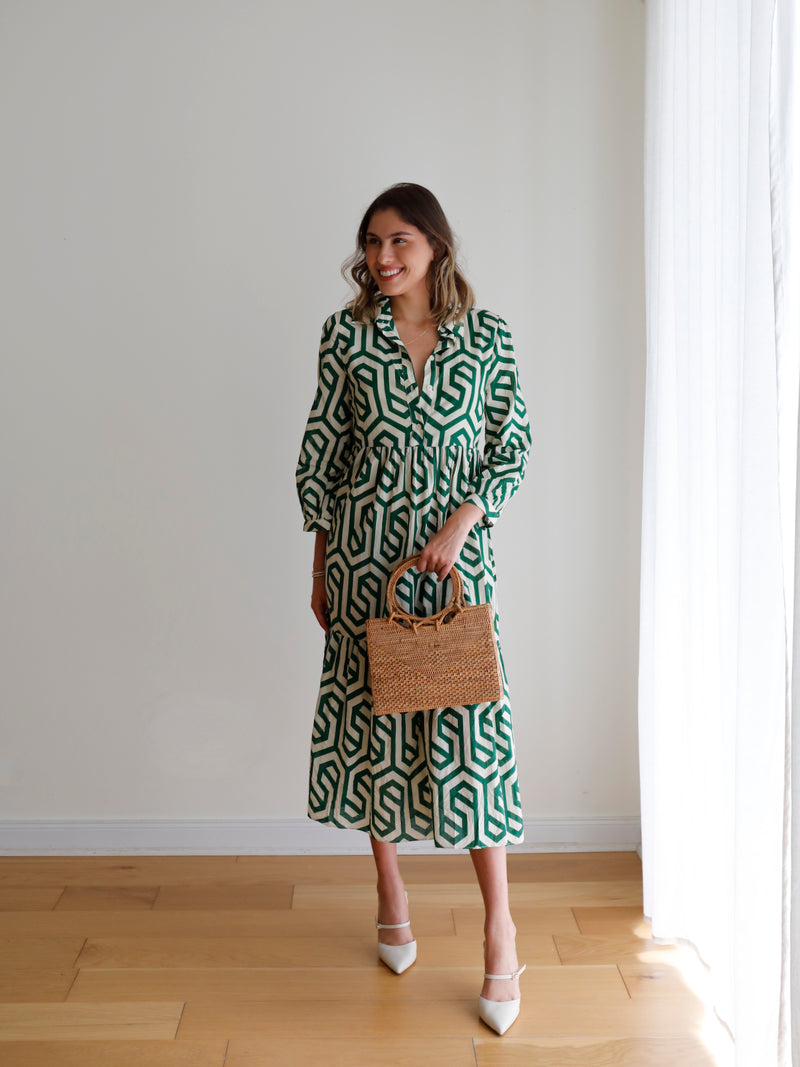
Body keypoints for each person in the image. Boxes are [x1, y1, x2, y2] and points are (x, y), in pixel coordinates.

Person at [296, 182, 532, 1035]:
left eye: (398, 240)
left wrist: (464, 521)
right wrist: (323, 563)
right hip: (366, 560)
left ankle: (500, 929)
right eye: (370, 242)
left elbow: (514, 443)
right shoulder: (345, 337)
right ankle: (390, 892)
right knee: (376, 721)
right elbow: (324, 453)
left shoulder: (488, 338)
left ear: (435, 244)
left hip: (457, 567)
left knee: (471, 737)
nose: (382, 257)